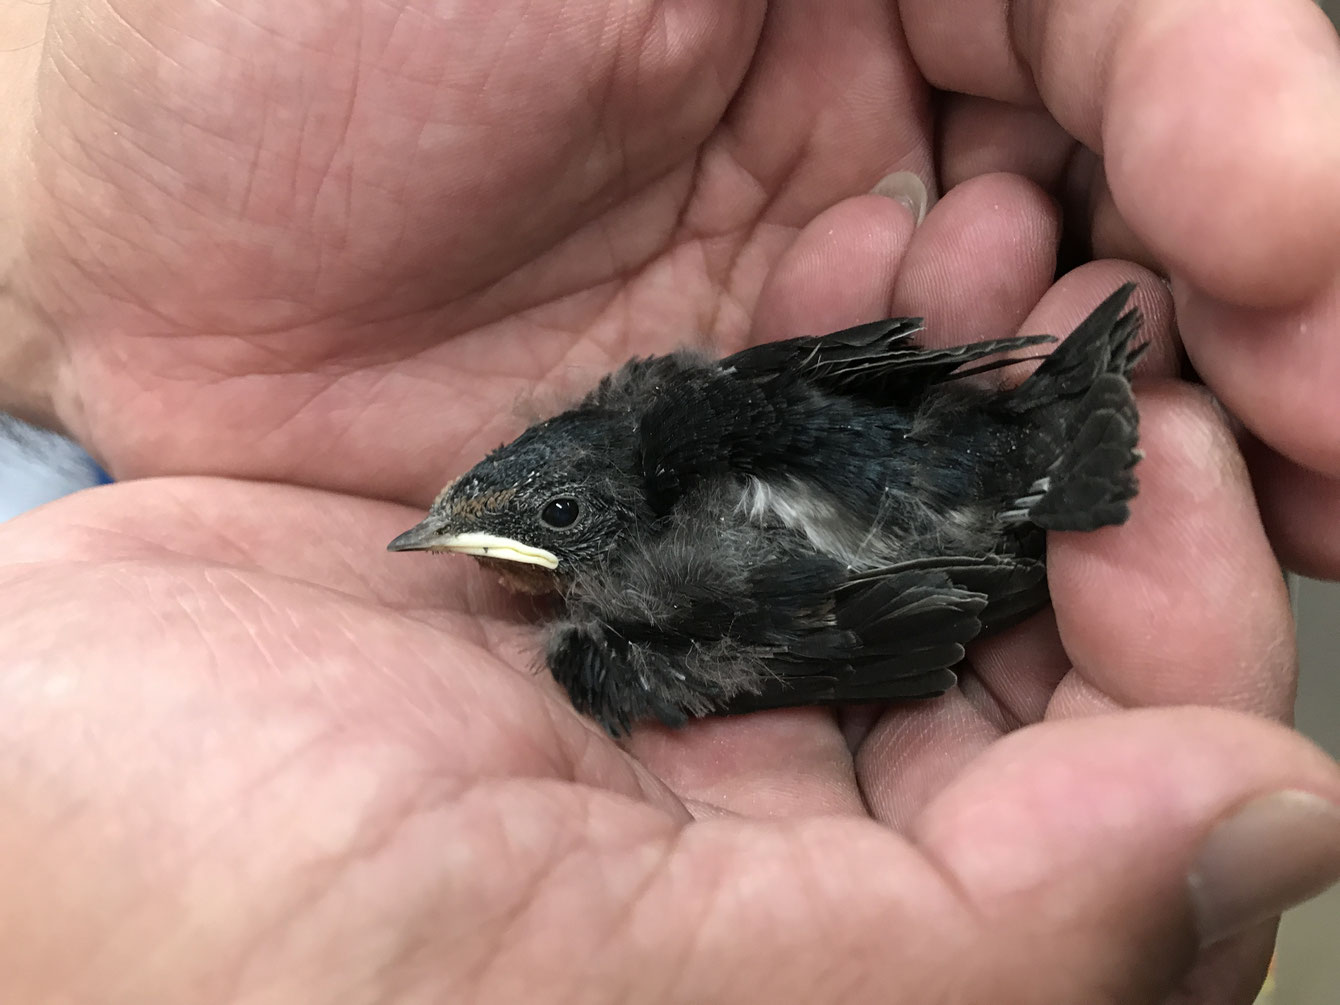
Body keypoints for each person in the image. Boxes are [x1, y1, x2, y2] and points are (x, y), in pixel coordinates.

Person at [0, 1, 1337, 1001]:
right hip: (960, 465)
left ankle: (1044, 465)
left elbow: (841, 570)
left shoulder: (631, 607)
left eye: (546, 527)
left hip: (950, 491)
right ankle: (1046, 457)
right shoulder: (651, 423)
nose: (517, 556)